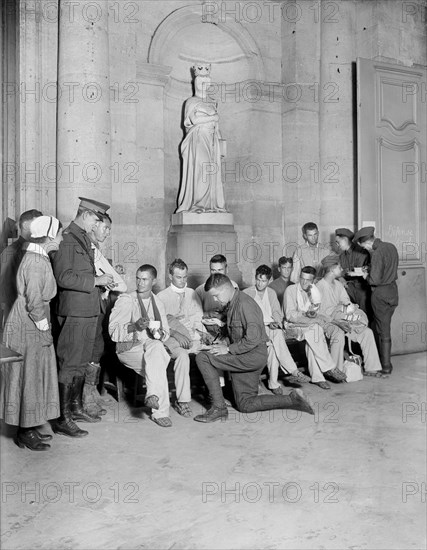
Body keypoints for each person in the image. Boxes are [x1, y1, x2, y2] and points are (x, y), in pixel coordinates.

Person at [194, 274, 315, 422]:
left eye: (216, 295)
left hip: (251, 356)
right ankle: (293, 399)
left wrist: (228, 349)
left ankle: (219, 407)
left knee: (203, 358)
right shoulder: (233, 304)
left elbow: (253, 339)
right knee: (246, 404)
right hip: (246, 354)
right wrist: (224, 343)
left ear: (226, 289)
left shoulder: (245, 305)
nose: (215, 300)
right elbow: (235, 334)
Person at [52, 197, 114, 438]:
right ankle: (62, 417)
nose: (97, 225)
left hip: (88, 310)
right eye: (97, 220)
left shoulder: (82, 239)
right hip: (75, 312)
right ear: (87, 215)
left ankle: (75, 408)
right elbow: (63, 277)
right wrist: (96, 281)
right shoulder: (67, 239)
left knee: (80, 363)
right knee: (69, 364)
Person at [1, 216, 63, 451]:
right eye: (59, 233)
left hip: (28, 320)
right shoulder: (37, 262)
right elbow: (35, 301)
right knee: (28, 374)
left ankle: (28, 424)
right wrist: (44, 327)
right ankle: (25, 432)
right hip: (28, 323)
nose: (61, 237)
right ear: (48, 236)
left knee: (33, 374)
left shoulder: (38, 257)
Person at [109, 265, 174, 427]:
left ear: (154, 281)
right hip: (129, 349)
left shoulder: (158, 303)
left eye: (144, 279)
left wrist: (159, 332)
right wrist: (135, 327)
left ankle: (153, 396)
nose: (140, 283)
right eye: (138, 278)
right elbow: (113, 333)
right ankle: (160, 413)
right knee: (157, 364)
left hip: (151, 348)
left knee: (157, 349)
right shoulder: (126, 300)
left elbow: (165, 334)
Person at [84, 212, 127, 418]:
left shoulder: (96, 249)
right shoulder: (85, 247)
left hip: (98, 306)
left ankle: (90, 392)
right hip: (86, 308)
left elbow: (119, 283)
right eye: (105, 228)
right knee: (87, 351)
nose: (108, 232)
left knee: (97, 348)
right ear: (93, 225)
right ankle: (84, 398)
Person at [243, 265, 311, 393]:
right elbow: (244, 315)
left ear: (268, 281)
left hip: (270, 327)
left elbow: (277, 312)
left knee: (274, 346)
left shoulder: (271, 293)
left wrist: (276, 322)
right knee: (277, 335)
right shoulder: (247, 293)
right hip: (254, 328)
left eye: (263, 281)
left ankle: (274, 383)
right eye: (258, 279)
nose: (260, 283)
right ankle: (292, 371)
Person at [316, 257, 383, 376]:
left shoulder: (338, 284)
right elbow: (320, 313)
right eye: (339, 267)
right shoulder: (319, 286)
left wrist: (351, 311)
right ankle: (336, 371)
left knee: (367, 332)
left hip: (342, 318)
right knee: (339, 334)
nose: (341, 269)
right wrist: (339, 320)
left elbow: (346, 302)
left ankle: (371, 368)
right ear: (332, 269)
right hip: (328, 322)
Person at [283, 266, 347, 389]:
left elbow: (319, 313)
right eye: (302, 278)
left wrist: (334, 321)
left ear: (313, 281)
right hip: (291, 327)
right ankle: (330, 367)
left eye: (307, 280)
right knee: (314, 329)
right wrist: (309, 317)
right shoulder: (290, 290)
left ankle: (318, 378)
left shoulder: (314, 292)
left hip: (308, 327)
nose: (303, 282)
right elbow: (290, 316)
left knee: (313, 335)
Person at [175, 64, 227, 214]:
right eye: (201, 82)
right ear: (196, 84)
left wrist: (220, 143)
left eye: (207, 83)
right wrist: (213, 117)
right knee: (201, 169)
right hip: (197, 139)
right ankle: (197, 204)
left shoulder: (212, 103)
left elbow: (216, 127)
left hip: (212, 140)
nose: (204, 86)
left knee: (211, 172)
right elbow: (193, 119)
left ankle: (211, 205)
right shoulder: (191, 102)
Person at [156, 259, 205, 417]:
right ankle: (183, 401)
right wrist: (176, 334)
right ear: (170, 276)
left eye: (185, 277)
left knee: (214, 349)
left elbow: (198, 318)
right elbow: (158, 325)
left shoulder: (192, 293)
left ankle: (216, 393)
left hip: (192, 336)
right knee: (183, 357)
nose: (183, 280)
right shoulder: (161, 296)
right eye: (178, 277)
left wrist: (202, 333)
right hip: (171, 339)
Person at [354, 226, 399, 374]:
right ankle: (385, 363)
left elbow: (374, 280)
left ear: (366, 243)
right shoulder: (390, 246)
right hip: (393, 291)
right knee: (385, 326)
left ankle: (385, 366)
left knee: (381, 330)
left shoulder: (377, 253)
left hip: (380, 294)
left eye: (364, 248)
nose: (366, 250)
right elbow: (388, 268)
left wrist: (366, 275)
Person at [0, 209, 42, 326]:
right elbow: (4, 284)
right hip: (18, 311)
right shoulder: (11, 251)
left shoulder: (36, 248)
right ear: (25, 225)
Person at [334, 228, 371, 315]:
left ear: (345, 240)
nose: (337, 245)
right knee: (351, 313)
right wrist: (341, 278)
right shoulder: (342, 256)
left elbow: (361, 271)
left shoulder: (361, 251)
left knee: (364, 314)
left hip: (361, 289)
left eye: (338, 242)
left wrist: (344, 272)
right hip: (349, 288)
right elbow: (340, 272)